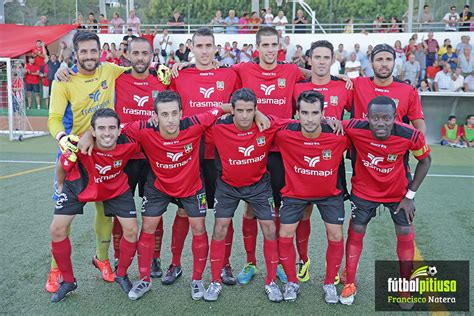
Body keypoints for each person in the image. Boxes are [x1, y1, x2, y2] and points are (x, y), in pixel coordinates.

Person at [121, 91, 233, 300]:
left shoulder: (195, 123)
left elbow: (223, 108)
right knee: (147, 227)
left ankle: (197, 280)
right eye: (164, 115)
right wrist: (86, 136)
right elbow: (113, 130)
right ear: (155, 117)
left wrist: (259, 115)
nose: (170, 119)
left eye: (174, 113)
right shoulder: (142, 129)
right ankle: (144, 279)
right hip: (159, 186)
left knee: (198, 227)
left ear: (181, 113)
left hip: (192, 186)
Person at [46, 31, 128, 294]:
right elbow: (54, 118)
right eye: (84, 51)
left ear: (100, 51)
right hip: (74, 155)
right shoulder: (64, 79)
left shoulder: (110, 71)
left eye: (94, 51)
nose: (89, 56)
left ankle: (102, 259)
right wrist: (63, 138)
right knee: (62, 219)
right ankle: (56, 268)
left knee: (105, 211)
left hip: (105, 152)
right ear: (75, 53)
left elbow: (141, 68)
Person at [339, 96, 431, 309]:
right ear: (366, 117)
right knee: (356, 230)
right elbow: (328, 123)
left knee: (405, 232)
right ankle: (350, 281)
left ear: (395, 117)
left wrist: (410, 196)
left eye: (386, 118)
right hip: (364, 191)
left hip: (397, 194)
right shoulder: (354, 127)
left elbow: (425, 161)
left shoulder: (410, 135)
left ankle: (405, 284)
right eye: (375, 118)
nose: (381, 123)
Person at [229, 26, 306, 285]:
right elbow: (218, 80)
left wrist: (343, 78)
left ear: (279, 47)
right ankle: (250, 262)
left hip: (283, 151)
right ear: (257, 48)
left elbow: (314, 73)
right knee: (251, 208)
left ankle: (282, 264)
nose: (271, 50)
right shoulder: (242, 70)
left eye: (275, 45)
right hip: (254, 149)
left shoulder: (291, 70)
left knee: (282, 210)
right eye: (266, 45)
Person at [169, 28, 242, 286]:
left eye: (208, 45)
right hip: (189, 153)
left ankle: (224, 264)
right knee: (182, 211)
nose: (203, 50)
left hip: (222, 153)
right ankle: (175, 263)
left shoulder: (229, 74)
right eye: (199, 46)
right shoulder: (180, 75)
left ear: (215, 48)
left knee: (225, 213)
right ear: (191, 47)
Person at [49, 108, 141, 303]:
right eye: (101, 128)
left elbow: (148, 127)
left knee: (131, 230)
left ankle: (122, 274)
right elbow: (61, 166)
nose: (106, 133)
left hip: (115, 188)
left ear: (119, 130)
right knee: (57, 229)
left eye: (111, 128)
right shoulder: (77, 145)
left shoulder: (130, 141)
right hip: (79, 186)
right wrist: (59, 187)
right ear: (93, 131)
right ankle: (67, 281)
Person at [204, 88, 283, 303]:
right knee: (220, 227)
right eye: (240, 110)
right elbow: (196, 122)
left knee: (269, 227)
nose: (245, 115)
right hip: (227, 186)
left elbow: (295, 124)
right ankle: (214, 281)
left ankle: (271, 281)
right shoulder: (219, 128)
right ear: (232, 111)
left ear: (256, 110)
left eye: (250, 110)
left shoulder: (266, 124)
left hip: (259, 185)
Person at [276, 90, 348, 303]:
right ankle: (292, 282)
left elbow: (365, 128)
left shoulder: (338, 134)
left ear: (322, 114)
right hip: (295, 193)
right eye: (305, 113)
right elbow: (261, 118)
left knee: (335, 234)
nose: (309, 118)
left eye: (315, 113)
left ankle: (329, 284)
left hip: (329, 194)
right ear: (296, 114)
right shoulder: (284, 133)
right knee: (285, 233)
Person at [292, 41, 353, 284]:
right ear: (309, 60)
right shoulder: (297, 88)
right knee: (303, 213)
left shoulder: (345, 87)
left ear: (332, 60)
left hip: (332, 162)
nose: (321, 61)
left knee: (333, 224)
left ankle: (333, 270)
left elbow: (356, 119)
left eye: (326, 57)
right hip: (303, 159)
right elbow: (290, 119)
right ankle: (303, 260)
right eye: (316, 57)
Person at [110, 37, 170, 278]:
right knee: (119, 211)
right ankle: (117, 257)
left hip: (152, 157)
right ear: (127, 54)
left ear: (152, 55)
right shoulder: (117, 79)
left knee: (154, 213)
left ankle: (154, 259)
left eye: (145, 53)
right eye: (136, 53)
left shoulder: (162, 81)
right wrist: (65, 69)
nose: (140, 58)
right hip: (123, 156)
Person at [351, 44, 426, 134]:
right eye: (379, 59)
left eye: (389, 59)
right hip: (362, 146)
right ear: (371, 63)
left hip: (396, 147)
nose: (384, 64)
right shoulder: (356, 84)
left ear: (394, 63)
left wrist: (418, 142)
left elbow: (420, 126)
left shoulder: (408, 90)